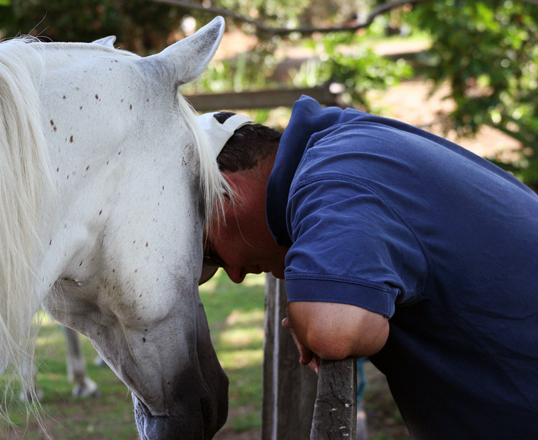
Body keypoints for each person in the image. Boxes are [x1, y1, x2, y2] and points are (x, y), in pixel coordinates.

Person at [196, 96, 538, 439]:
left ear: (227, 191)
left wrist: (303, 311)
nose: (237, 274)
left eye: (212, 252)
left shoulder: (332, 177)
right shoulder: (342, 145)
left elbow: (335, 330)